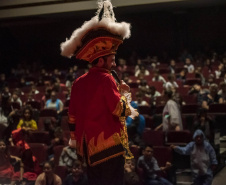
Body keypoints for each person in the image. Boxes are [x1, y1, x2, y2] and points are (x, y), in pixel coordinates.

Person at [60, 1, 136, 184]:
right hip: (109, 147)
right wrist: (125, 94)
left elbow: (72, 117)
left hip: (88, 151)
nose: (114, 64)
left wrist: (76, 142)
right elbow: (120, 110)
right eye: (112, 60)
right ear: (100, 61)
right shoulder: (106, 78)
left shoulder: (78, 82)